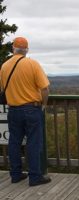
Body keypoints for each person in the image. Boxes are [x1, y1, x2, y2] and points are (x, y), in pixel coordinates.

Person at [0, 36, 51, 186]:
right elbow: (45, 88)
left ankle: (15, 175)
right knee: (34, 143)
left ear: (13, 49)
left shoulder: (4, 66)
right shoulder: (32, 64)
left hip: (13, 110)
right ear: (27, 50)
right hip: (31, 108)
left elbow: (2, 89)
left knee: (14, 142)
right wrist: (44, 105)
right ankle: (35, 177)